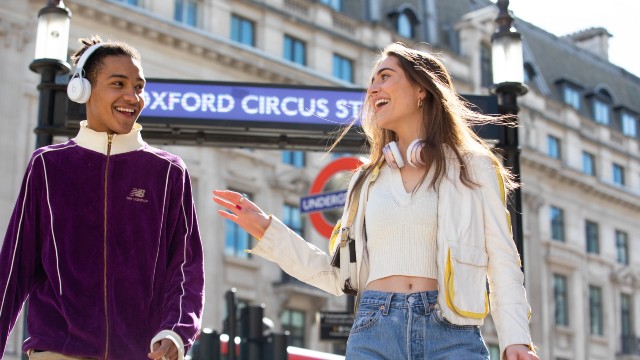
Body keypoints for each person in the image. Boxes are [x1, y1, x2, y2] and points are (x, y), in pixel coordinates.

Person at [214, 42, 538, 359]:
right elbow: (337, 275)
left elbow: (503, 261)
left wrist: (515, 340)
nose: (372, 89)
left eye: (385, 76)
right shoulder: (365, 181)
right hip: (374, 329)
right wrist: (269, 230)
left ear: (422, 89)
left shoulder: (474, 167)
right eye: (371, 82)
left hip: (451, 335)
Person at [0, 36, 204, 360]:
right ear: (83, 89)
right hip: (57, 351)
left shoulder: (167, 172)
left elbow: (185, 267)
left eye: (139, 86)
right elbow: (13, 270)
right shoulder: (48, 166)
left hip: (140, 353)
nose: (132, 96)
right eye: (118, 83)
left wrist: (176, 332)